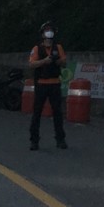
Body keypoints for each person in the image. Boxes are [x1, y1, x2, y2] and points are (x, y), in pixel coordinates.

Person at [28, 21, 67, 151]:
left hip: (55, 83)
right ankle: (34, 141)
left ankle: (60, 139)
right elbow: (31, 64)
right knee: (37, 113)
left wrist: (57, 61)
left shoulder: (58, 47)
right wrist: (44, 61)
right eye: (46, 30)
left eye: (50, 30)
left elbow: (64, 63)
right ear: (42, 34)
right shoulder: (37, 49)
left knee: (57, 113)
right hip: (41, 84)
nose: (49, 33)